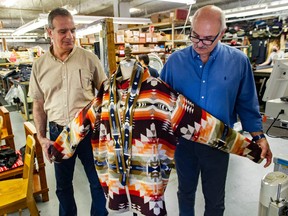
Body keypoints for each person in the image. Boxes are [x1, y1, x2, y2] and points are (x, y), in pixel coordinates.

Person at [49, 57, 265, 215]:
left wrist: (250, 148)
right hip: (114, 179)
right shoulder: (106, 92)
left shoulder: (157, 92)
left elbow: (203, 124)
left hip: (148, 181)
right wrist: (58, 149)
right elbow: (80, 123)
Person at [160, 5, 272, 216]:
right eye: (195, 36)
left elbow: (246, 102)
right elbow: (162, 102)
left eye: (208, 38)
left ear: (221, 33)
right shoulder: (175, 61)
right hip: (184, 144)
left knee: (215, 199)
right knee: (185, 192)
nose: (200, 44)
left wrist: (258, 135)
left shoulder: (238, 62)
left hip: (219, 143)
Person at [28, 7, 108, 216]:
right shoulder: (39, 66)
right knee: (63, 187)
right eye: (63, 31)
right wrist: (42, 137)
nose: (69, 36)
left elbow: (105, 95)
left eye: (73, 30)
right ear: (50, 32)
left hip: (89, 132)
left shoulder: (89, 59)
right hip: (58, 134)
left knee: (98, 182)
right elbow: (38, 103)